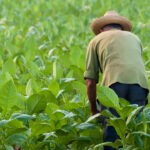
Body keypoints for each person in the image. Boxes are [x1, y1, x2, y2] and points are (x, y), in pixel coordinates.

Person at [84, 11, 149, 150]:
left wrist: (94, 110)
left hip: (114, 86)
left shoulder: (96, 40)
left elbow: (90, 81)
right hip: (140, 87)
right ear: (120, 27)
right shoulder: (134, 38)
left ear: (101, 29)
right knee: (134, 133)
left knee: (113, 135)